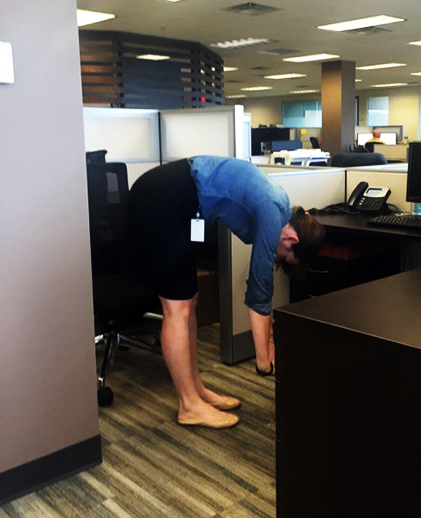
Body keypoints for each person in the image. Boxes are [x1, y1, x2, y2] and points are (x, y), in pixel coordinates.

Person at [123, 156, 325, 429]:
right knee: (177, 308)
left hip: (178, 206)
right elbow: (259, 291)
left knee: (189, 301)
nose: (278, 260)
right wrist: (264, 362)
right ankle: (189, 405)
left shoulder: (279, 207)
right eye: (285, 258)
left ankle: (196, 390)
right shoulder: (272, 210)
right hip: (158, 202)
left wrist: (269, 343)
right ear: (291, 240)